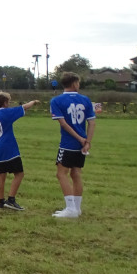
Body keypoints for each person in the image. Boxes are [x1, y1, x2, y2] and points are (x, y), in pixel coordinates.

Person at [50, 72, 96, 218]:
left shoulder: (56, 101)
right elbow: (92, 123)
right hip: (81, 145)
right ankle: (76, 209)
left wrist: (79, 138)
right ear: (75, 83)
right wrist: (86, 141)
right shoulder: (86, 100)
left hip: (68, 143)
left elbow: (63, 124)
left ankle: (70, 209)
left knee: (61, 173)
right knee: (76, 173)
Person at [0, 92, 39, 211]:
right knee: (19, 173)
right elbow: (24, 107)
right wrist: (34, 102)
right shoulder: (6, 112)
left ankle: (1, 202)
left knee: (2, 175)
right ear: (5, 103)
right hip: (9, 148)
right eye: (8, 102)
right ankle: (11, 200)